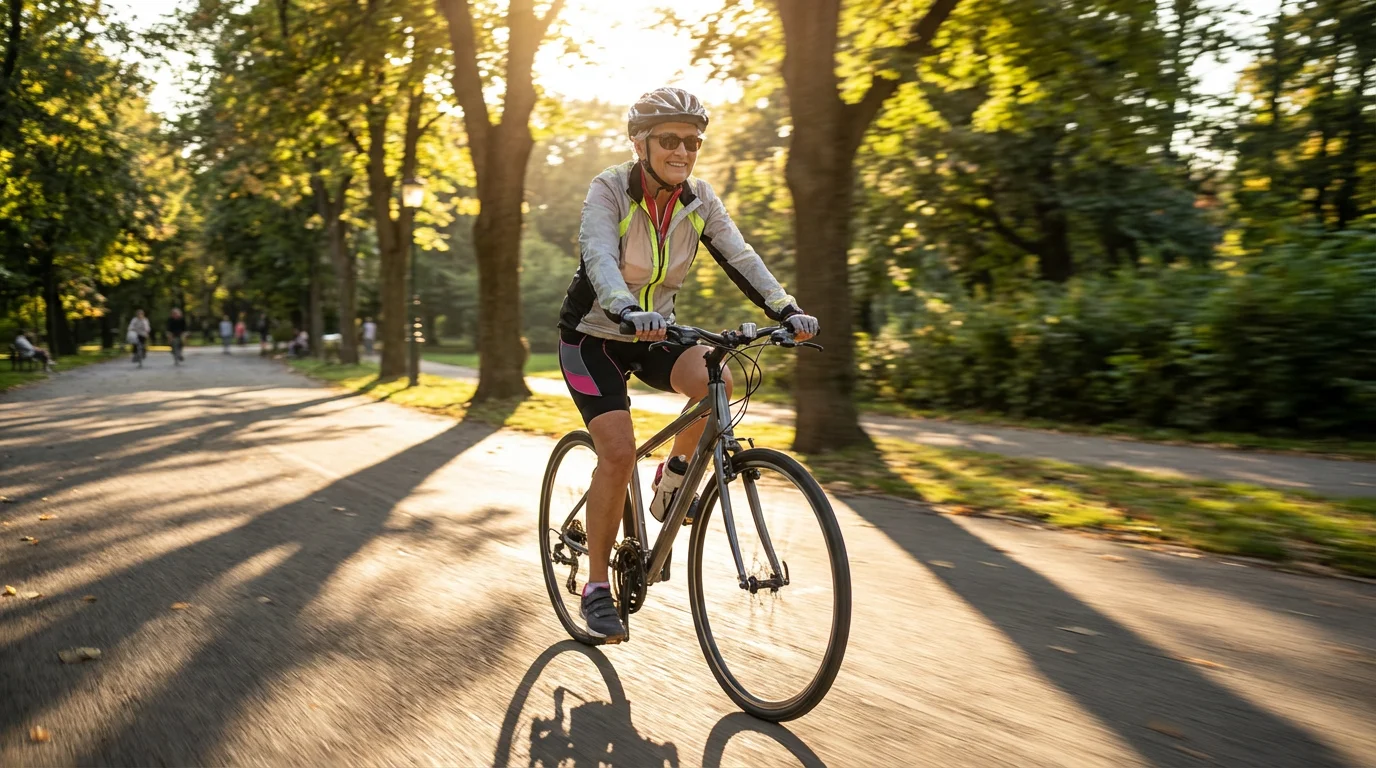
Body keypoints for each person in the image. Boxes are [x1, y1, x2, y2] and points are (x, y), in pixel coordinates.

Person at [557, 87, 819, 641]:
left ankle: (674, 477)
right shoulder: (609, 188)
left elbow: (741, 256)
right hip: (593, 337)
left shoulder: (698, 199)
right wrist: (626, 307)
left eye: (692, 142)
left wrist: (787, 309)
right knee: (618, 452)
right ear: (640, 143)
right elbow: (599, 256)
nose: (682, 151)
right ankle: (596, 588)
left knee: (717, 379)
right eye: (669, 140)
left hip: (656, 331)